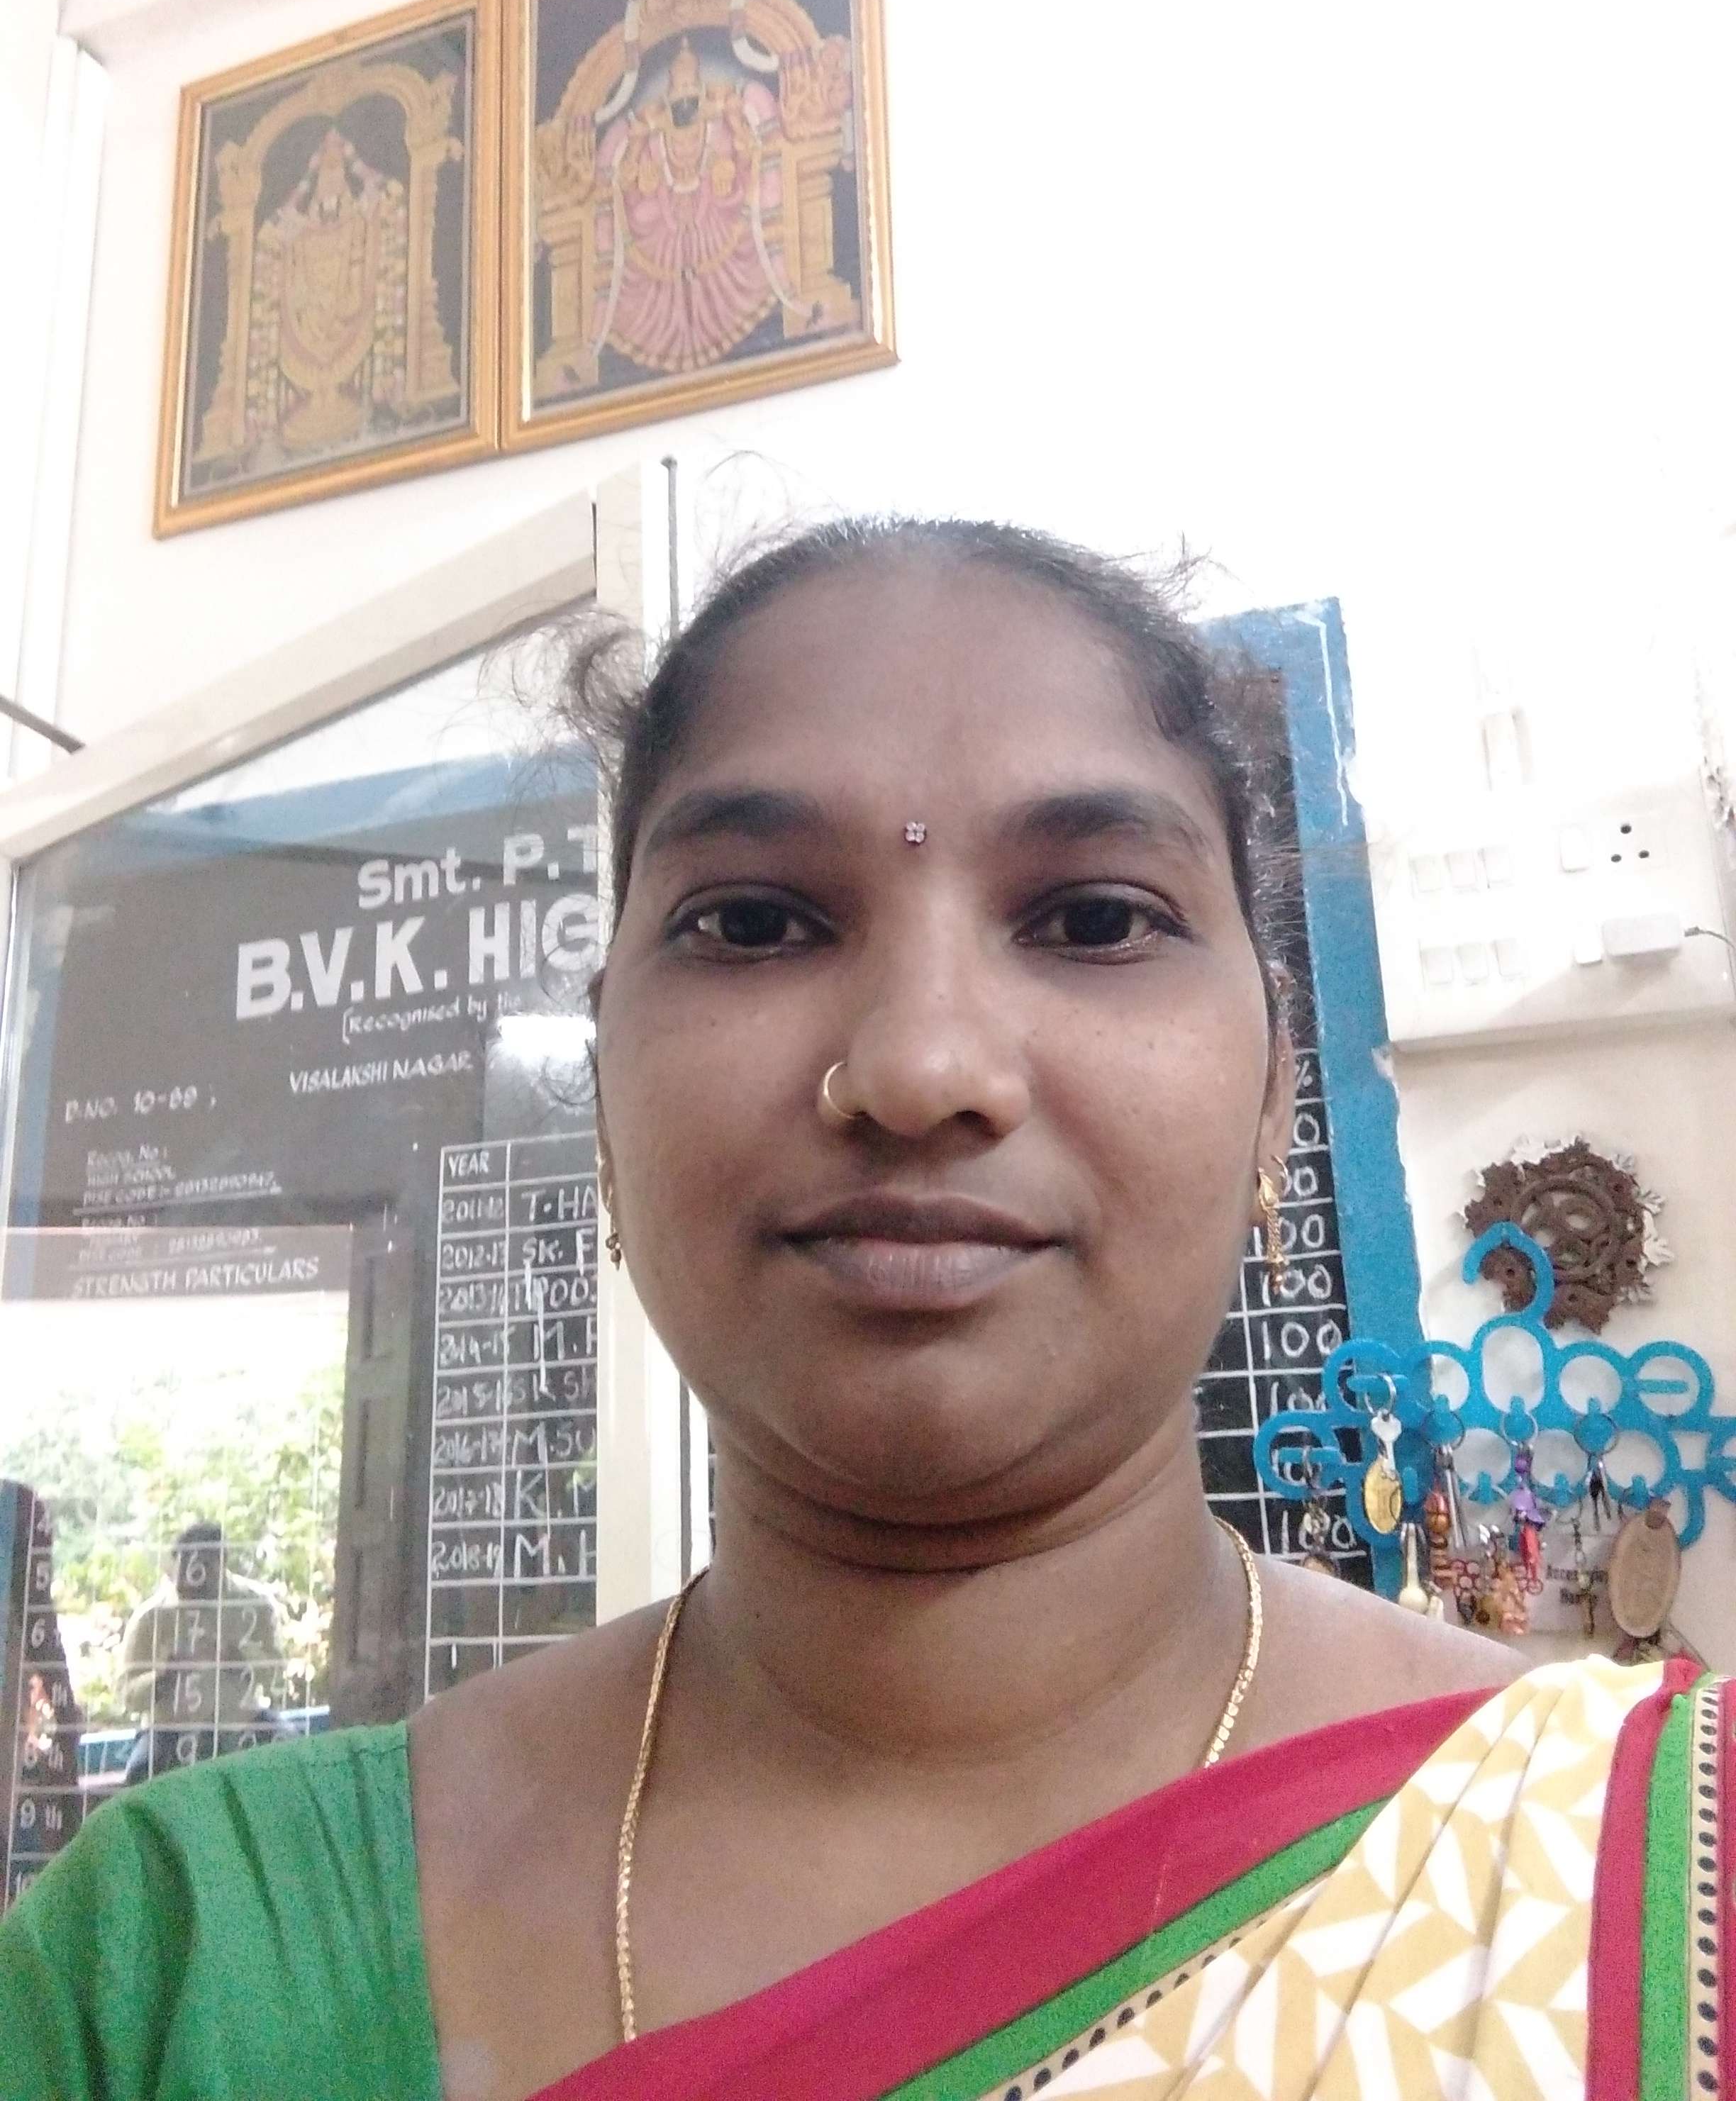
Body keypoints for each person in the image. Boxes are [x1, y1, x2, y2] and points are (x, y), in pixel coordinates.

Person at [0, 519, 1727, 2100]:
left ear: (1275, 1093)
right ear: (604, 1091)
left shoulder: (1637, 1874)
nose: (917, 1066)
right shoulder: (176, 1973)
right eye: (755, 922)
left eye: (1093, 917)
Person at [117, 1520, 287, 1784]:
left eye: (202, 1569)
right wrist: (164, 1676)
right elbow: (127, 1696)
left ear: (222, 1563)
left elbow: (277, 1676)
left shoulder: (256, 1605)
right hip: (169, 1730)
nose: (191, 1580)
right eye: (183, 1570)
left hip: (243, 1722)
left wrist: (240, 1660)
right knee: (141, 1774)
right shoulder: (150, 1618)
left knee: (291, 1760)